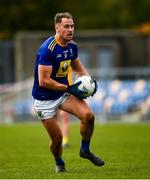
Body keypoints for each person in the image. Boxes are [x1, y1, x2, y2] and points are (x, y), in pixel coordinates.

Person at [32, 12, 104, 173]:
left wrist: (88, 80)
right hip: (44, 98)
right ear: (57, 27)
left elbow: (77, 67)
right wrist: (69, 87)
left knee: (88, 116)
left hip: (64, 94)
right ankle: (59, 162)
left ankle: (85, 150)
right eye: (66, 26)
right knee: (57, 140)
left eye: (72, 26)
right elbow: (44, 81)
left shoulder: (72, 46)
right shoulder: (47, 50)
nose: (70, 30)